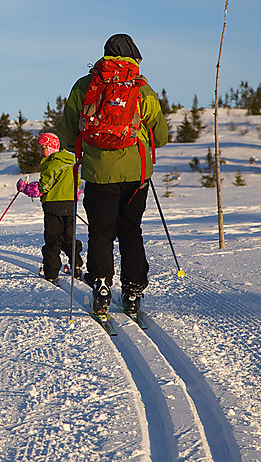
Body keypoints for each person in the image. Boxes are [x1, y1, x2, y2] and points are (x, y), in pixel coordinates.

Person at [55, 34, 169, 315]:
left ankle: (102, 284)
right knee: (131, 232)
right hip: (136, 175)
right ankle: (132, 291)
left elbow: (67, 133)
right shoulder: (142, 89)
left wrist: (87, 147)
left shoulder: (85, 85)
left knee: (101, 234)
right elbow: (162, 137)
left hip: (98, 175)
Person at [17, 132, 83, 284]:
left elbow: (42, 187)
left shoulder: (53, 164)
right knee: (69, 238)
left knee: (53, 240)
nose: (40, 152)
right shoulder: (71, 161)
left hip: (53, 207)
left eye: (42, 148)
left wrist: (24, 188)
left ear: (52, 148)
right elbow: (77, 184)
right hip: (70, 205)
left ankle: (51, 272)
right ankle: (77, 266)